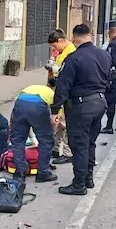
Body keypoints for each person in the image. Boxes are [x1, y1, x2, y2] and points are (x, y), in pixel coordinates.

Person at [51, 24, 110, 196]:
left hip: (81, 107)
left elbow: (63, 86)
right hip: (100, 103)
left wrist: (55, 110)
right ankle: (88, 178)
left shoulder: (73, 58)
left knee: (79, 146)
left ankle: (78, 185)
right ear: (90, 35)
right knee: (90, 143)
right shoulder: (105, 55)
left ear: (74, 38)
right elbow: (108, 79)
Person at [9, 78, 58, 183]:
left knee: (18, 140)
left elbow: (13, 116)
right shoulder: (54, 95)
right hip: (37, 106)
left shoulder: (31, 88)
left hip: (20, 103)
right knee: (46, 141)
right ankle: (43, 173)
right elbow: (55, 121)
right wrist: (51, 134)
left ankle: (20, 172)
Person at [47, 30, 76, 165]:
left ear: (60, 41)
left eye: (54, 46)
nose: (54, 49)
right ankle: (55, 147)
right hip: (59, 88)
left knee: (63, 123)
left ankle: (67, 152)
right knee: (58, 121)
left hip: (66, 91)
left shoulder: (70, 51)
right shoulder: (62, 50)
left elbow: (67, 72)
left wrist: (56, 68)